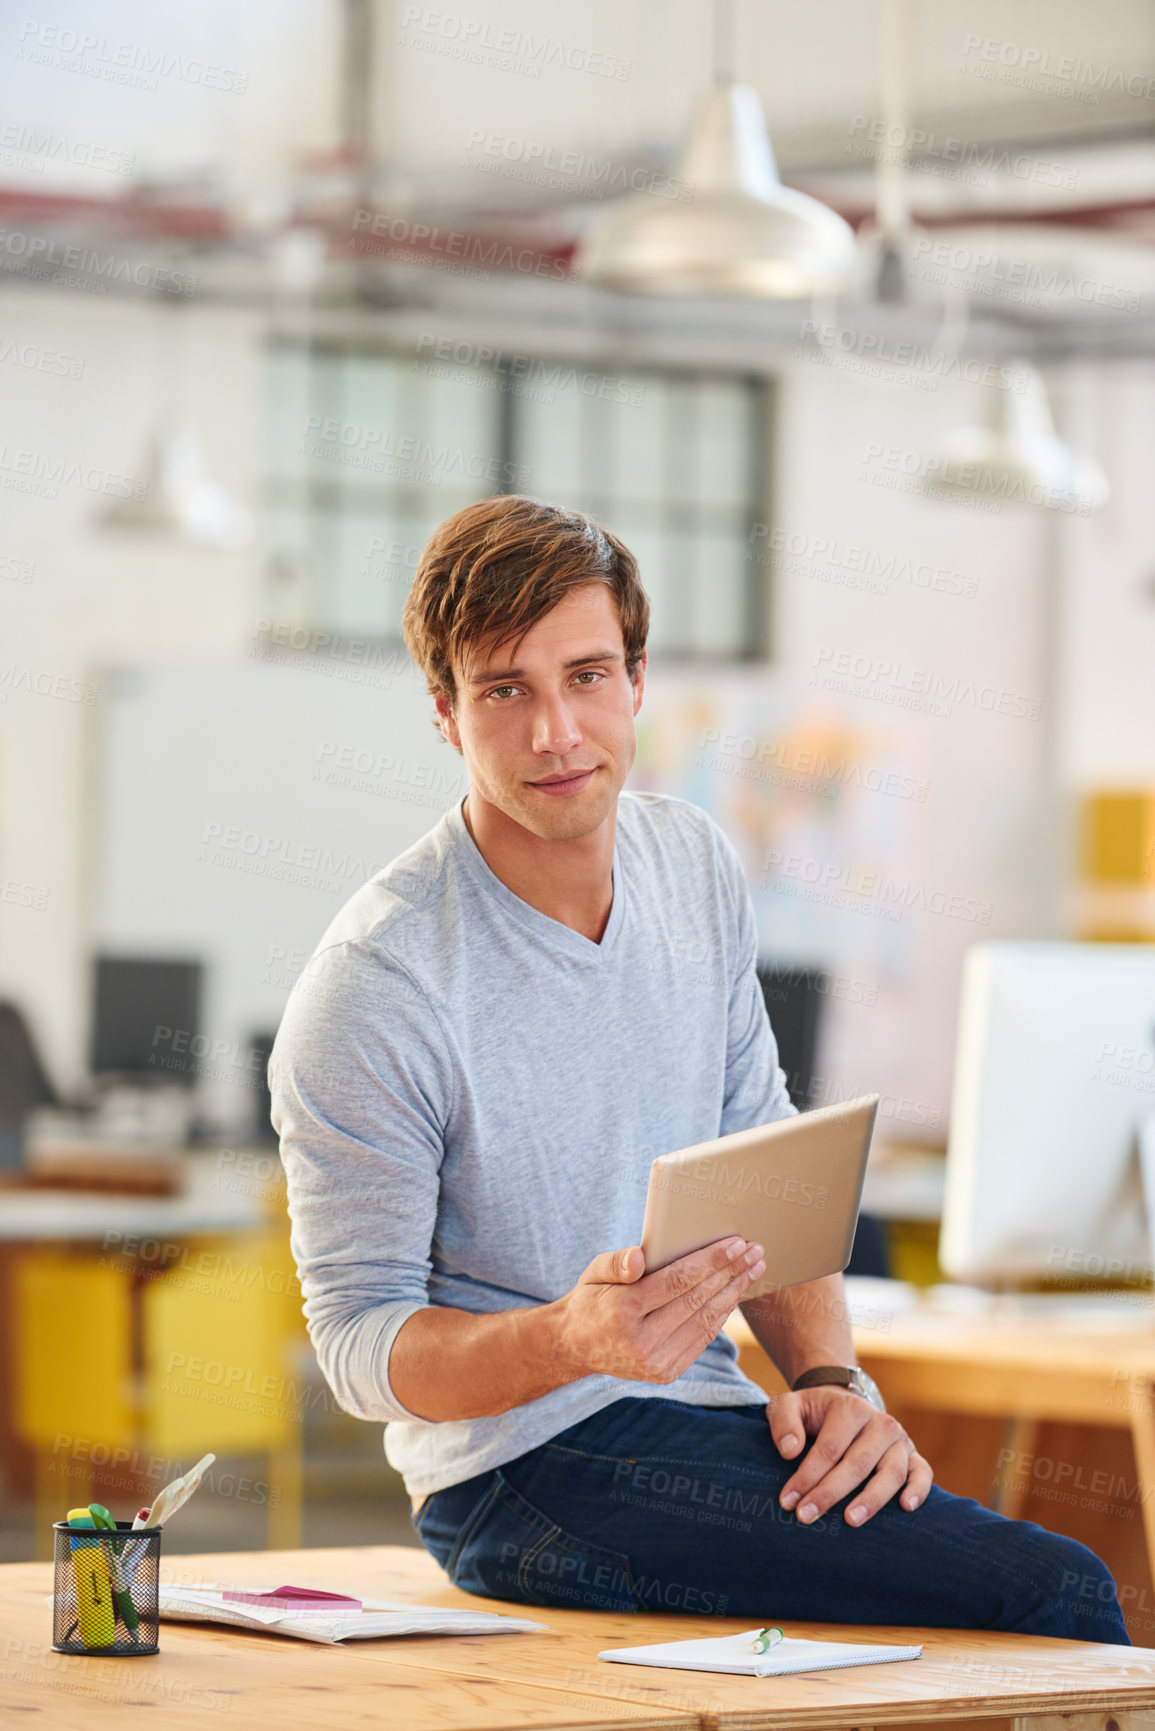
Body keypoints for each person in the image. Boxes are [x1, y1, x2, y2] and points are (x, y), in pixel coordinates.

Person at [269, 494, 1128, 1640]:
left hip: (711, 1418)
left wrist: (830, 1383)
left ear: (635, 682)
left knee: (1006, 1592)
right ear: (445, 714)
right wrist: (568, 1339)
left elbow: (763, 1157)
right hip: (520, 1474)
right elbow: (359, 1347)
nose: (555, 734)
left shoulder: (691, 864)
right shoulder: (378, 983)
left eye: (584, 677)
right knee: (1055, 1590)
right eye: (504, 690)